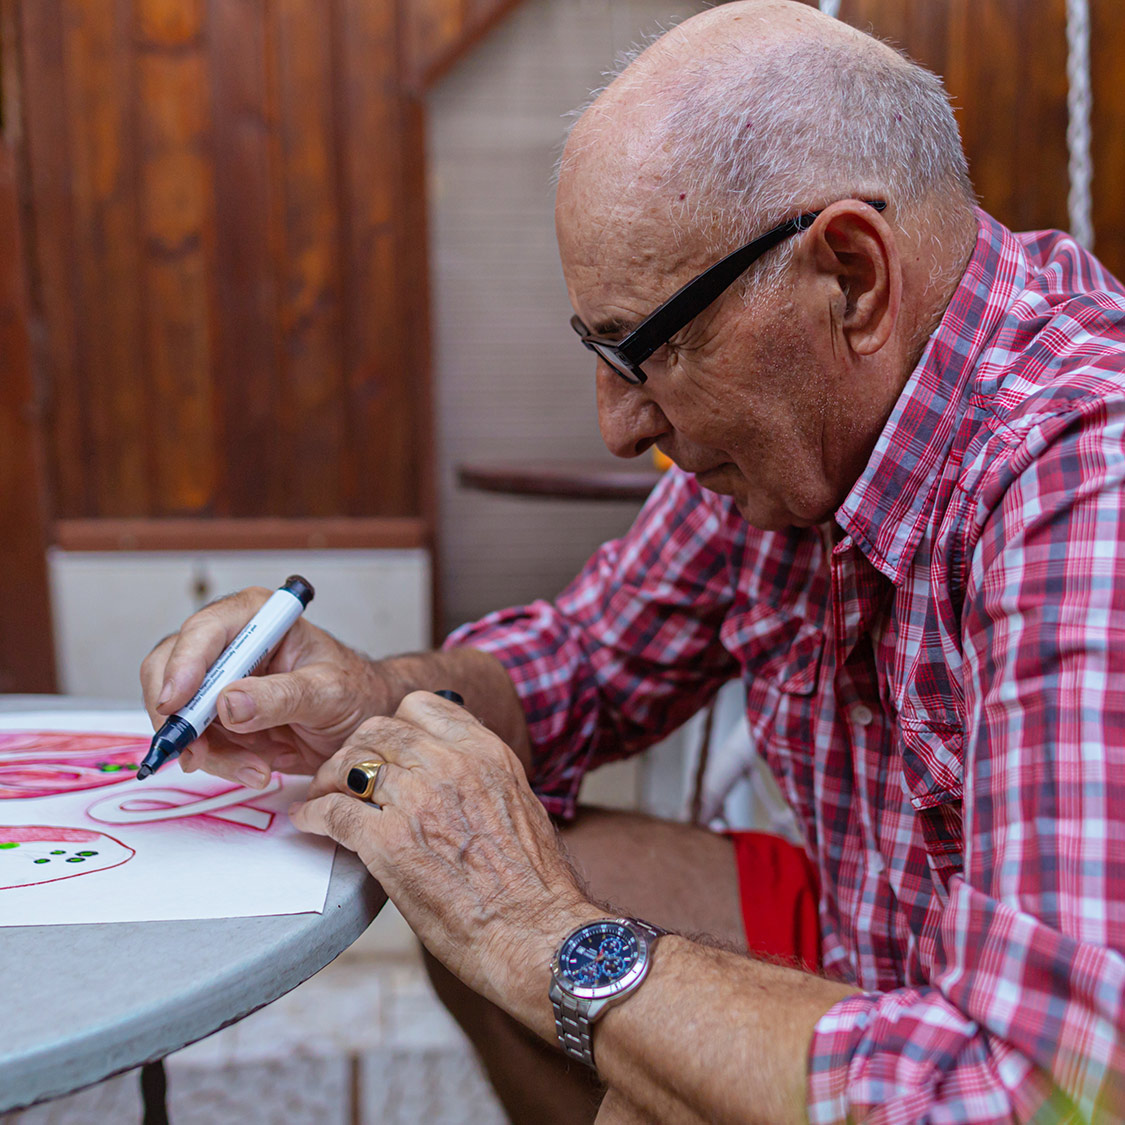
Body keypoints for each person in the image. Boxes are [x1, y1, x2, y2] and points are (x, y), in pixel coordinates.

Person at [141, 2, 1125, 1120]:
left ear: (850, 276)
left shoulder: (1085, 479)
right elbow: (581, 663)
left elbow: (1052, 1089)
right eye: (597, 352)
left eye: (645, 350)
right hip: (885, 932)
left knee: (547, 963)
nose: (618, 425)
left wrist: (544, 939)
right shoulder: (803, 429)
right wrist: (371, 694)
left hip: (1033, 1053)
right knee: (449, 860)